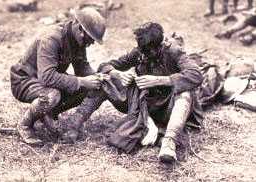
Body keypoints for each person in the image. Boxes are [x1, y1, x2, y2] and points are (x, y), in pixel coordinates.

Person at [62, 22, 203, 163]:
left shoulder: (173, 51)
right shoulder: (140, 52)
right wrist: (117, 74)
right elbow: (105, 65)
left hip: (168, 107)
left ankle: (169, 142)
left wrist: (160, 80)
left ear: (159, 45)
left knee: (185, 93)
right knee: (105, 80)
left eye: (148, 52)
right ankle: (73, 126)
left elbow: (195, 75)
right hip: (144, 105)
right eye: (142, 51)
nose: (144, 56)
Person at [10, 7, 106, 146]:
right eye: (90, 40)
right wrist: (82, 81)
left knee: (88, 87)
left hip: (46, 81)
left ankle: (47, 113)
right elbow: (47, 77)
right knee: (52, 95)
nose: (90, 44)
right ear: (79, 28)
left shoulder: (77, 39)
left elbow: (82, 67)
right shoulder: (51, 38)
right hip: (25, 80)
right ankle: (25, 125)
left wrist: (97, 78)